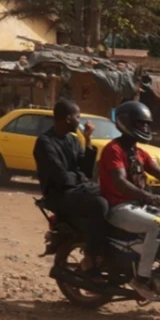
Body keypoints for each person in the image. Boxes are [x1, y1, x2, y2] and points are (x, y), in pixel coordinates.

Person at [98, 100, 160, 300]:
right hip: (119, 207)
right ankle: (141, 279)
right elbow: (119, 182)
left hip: (137, 206)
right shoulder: (114, 149)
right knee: (157, 226)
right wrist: (147, 195)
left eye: (147, 124)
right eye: (140, 123)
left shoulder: (139, 152)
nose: (145, 127)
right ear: (125, 122)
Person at [33, 98, 107, 270]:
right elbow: (60, 176)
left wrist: (87, 140)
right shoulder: (45, 142)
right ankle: (91, 255)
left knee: (111, 195)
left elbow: (86, 170)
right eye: (78, 117)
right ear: (68, 119)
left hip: (77, 189)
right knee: (100, 204)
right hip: (58, 194)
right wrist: (81, 177)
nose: (80, 121)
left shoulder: (73, 140)